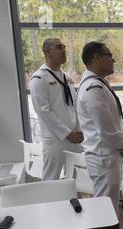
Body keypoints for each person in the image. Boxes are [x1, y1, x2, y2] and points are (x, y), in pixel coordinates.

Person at [77, 41, 123, 229]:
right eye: (109, 55)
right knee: (105, 205)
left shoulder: (98, 84)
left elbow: (110, 122)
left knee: (110, 202)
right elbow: (105, 127)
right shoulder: (93, 88)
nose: (113, 59)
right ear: (95, 58)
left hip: (106, 154)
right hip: (104, 155)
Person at [29, 38, 84, 181]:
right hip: (55, 139)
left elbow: (74, 106)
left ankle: (75, 203)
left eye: (64, 47)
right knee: (51, 180)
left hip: (73, 137)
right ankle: (50, 204)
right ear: (47, 52)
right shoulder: (39, 78)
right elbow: (43, 111)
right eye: (59, 47)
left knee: (76, 179)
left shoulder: (66, 77)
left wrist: (78, 130)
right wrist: (66, 133)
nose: (64, 50)